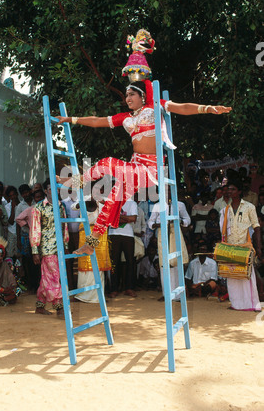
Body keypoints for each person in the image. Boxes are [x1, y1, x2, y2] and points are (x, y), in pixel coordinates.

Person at [56, 30, 231, 256]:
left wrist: (208, 108)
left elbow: (182, 107)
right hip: (135, 166)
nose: (127, 98)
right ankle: (92, 241)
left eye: (131, 94)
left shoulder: (154, 106)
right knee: (113, 198)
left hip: (151, 168)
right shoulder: (125, 118)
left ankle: (76, 182)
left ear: (141, 95)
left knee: (108, 161)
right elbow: (98, 121)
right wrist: (71, 119)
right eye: (126, 95)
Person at [219, 180, 262, 311]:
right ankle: (236, 304)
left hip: (245, 245)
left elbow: (256, 227)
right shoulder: (225, 210)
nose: (229, 191)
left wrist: (259, 247)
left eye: (232, 189)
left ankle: (252, 304)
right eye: (229, 190)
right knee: (232, 276)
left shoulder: (249, 207)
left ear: (239, 192)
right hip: (230, 247)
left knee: (247, 276)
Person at [30, 178, 69, 317]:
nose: (55, 191)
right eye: (51, 188)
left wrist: (65, 245)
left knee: (47, 277)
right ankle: (59, 307)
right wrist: (35, 251)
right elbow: (35, 229)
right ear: (46, 191)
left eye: (57, 188)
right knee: (54, 276)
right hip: (46, 249)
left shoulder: (61, 206)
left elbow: (65, 227)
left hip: (59, 247)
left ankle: (40, 306)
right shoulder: (38, 208)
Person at [75, 199, 111, 303]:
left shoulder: (103, 201)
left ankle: (97, 297)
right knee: (85, 263)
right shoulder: (82, 199)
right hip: (85, 235)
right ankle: (83, 295)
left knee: (98, 265)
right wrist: (83, 203)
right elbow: (74, 206)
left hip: (99, 236)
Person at [108, 198, 138, 297]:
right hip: (113, 234)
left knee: (130, 261)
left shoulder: (132, 202)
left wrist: (117, 216)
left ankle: (129, 288)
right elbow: (109, 218)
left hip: (128, 235)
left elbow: (133, 219)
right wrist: (126, 218)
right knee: (114, 261)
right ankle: (114, 289)